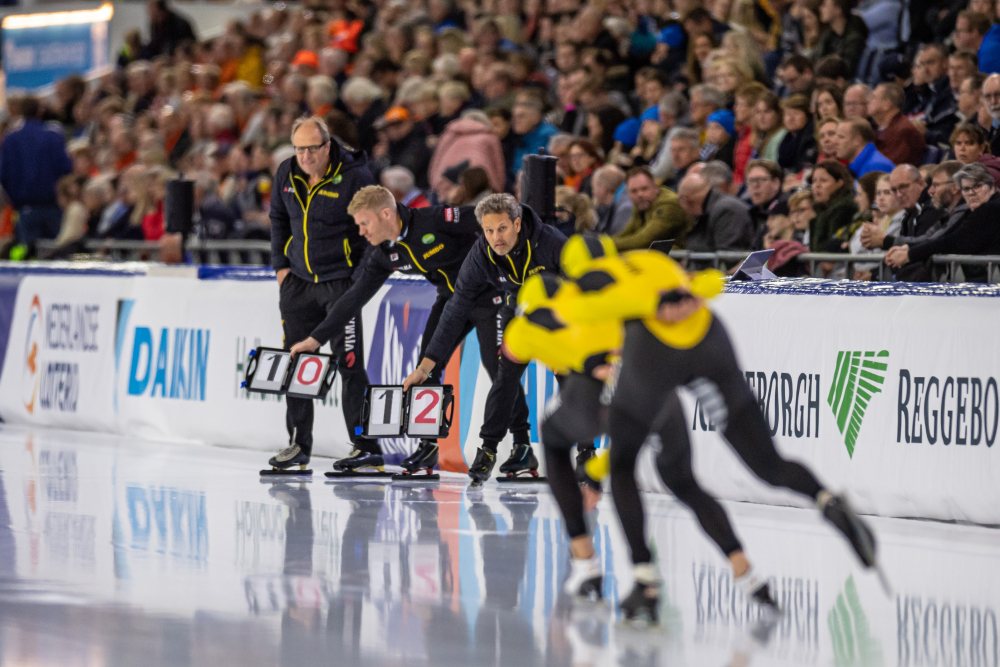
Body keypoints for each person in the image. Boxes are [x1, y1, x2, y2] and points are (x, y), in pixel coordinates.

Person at [554, 244, 879, 623]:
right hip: (709, 339)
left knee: (623, 466)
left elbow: (576, 310)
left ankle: (645, 580)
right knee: (767, 465)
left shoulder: (590, 279)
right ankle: (827, 501)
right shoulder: (652, 260)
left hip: (653, 352)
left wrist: (646, 308)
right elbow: (705, 283)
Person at [503, 236, 781, 615]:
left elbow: (516, 347)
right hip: (653, 392)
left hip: (594, 397)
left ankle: (588, 562)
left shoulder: (563, 298)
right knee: (684, 483)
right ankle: (745, 572)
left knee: (555, 440)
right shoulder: (638, 279)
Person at [286, 185, 530, 474]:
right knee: (425, 368)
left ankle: (522, 446)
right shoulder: (384, 253)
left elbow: (494, 226)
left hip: (489, 298)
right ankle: (427, 446)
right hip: (451, 302)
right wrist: (315, 339)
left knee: (498, 370)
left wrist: (512, 274)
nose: (361, 231)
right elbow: (353, 297)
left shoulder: (435, 220)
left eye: (364, 223)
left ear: (386, 214)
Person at [404, 193, 572, 483]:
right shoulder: (481, 252)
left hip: (560, 311)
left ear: (517, 224)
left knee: (569, 377)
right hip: (516, 310)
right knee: (503, 376)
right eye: (489, 230)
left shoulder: (552, 242)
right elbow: (456, 309)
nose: (496, 238)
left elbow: (582, 289)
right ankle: (489, 450)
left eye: (502, 228)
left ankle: (584, 453)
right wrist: (425, 367)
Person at [266, 116, 376, 472]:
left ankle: (364, 446)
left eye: (313, 148)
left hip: (339, 284)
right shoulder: (287, 173)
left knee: (349, 365)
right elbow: (278, 219)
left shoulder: (355, 176)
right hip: (298, 284)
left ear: (328, 145)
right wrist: (280, 267)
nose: (306, 156)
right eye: (299, 148)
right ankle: (299, 444)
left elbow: (369, 232)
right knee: (297, 362)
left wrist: (357, 281)